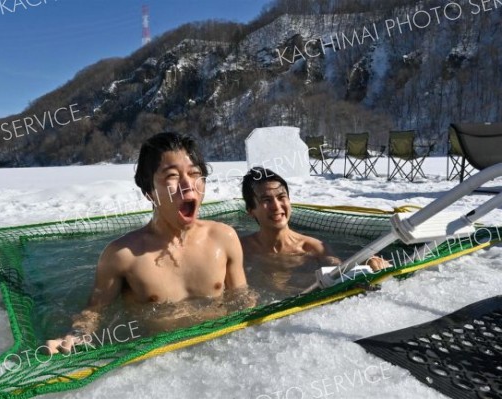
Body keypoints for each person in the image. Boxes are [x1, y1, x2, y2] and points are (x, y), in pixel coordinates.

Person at [46, 132, 250, 354]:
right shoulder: (123, 255)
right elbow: (94, 311)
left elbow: (242, 299)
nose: (188, 185)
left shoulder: (224, 238)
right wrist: (77, 335)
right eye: (172, 176)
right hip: (160, 361)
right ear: (149, 192)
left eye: (195, 173)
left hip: (220, 352)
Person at [240, 167, 389, 294]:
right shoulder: (239, 249)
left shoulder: (313, 248)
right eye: (266, 200)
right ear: (251, 210)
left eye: (281, 197)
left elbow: (339, 271)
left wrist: (367, 264)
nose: (276, 206)